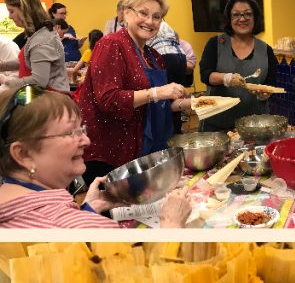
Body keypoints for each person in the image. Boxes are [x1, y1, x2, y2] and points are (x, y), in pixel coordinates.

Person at [0, 86, 191, 228]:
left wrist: (89, 208)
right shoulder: (88, 229)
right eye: (70, 133)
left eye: (81, 130)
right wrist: (171, 223)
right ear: (23, 154)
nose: (86, 141)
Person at [76, 0, 192, 186]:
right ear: (126, 13)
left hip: (141, 150)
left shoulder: (153, 56)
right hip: (112, 153)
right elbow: (108, 100)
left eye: (157, 17)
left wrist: (189, 103)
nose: (150, 21)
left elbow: (155, 105)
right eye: (143, 13)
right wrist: (157, 92)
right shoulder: (111, 45)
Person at [199, 0, 276, 131]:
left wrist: (265, 93)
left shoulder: (266, 50)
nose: (242, 19)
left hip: (254, 125)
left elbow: (271, 83)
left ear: (255, 18)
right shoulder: (215, 44)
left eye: (247, 14)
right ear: (229, 18)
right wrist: (225, 78)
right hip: (216, 123)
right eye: (236, 15)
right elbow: (205, 75)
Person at [0, 0, 70, 93]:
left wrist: (7, 81)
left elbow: (39, 81)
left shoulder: (42, 40)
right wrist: (2, 66)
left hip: (49, 101)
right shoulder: (37, 35)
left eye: (12, 11)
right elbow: (27, 61)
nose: (10, 17)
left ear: (25, 10)